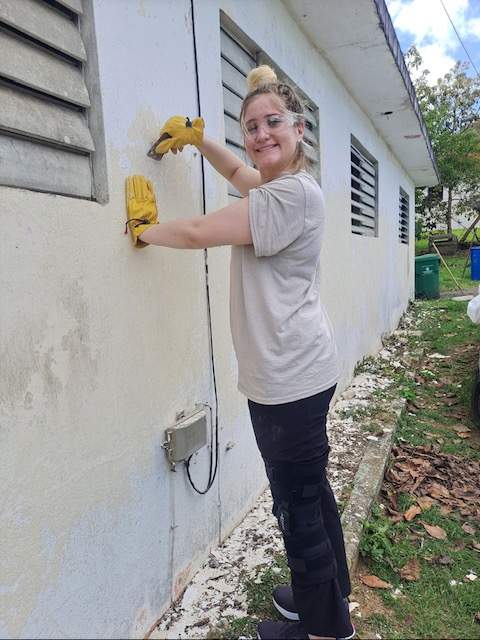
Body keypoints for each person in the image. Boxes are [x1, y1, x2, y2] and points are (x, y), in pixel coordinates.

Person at [125, 65, 354, 640]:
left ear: (299, 129)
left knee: (296, 505)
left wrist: (146, 229)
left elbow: (203, 230)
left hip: (289, 381)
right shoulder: (284, 189)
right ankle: (326, 597)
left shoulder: (286, 199)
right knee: (310, 492)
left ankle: (325, 630)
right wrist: (202, 139)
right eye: (250, 125)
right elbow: (240, 172)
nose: (260, 133)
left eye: (273, 121)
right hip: (299, 371)